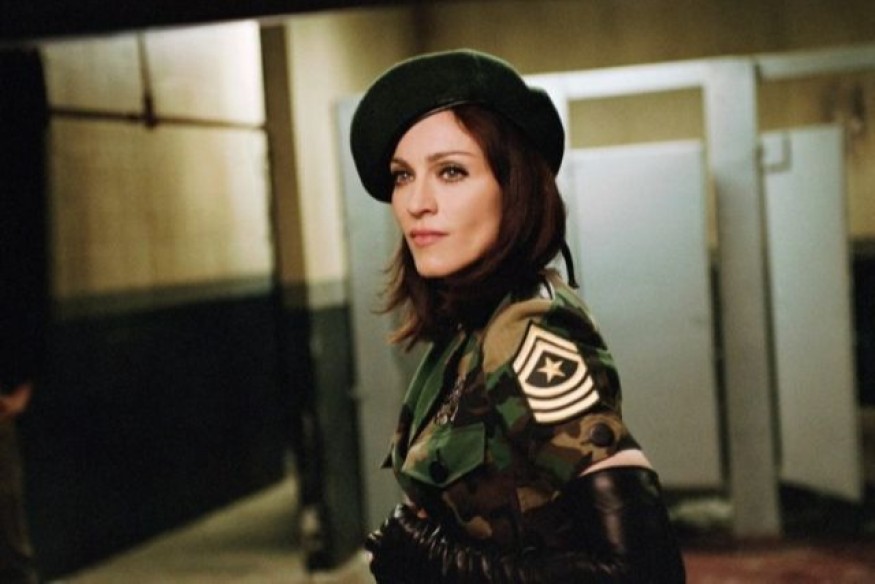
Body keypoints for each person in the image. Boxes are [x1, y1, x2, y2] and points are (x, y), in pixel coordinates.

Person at [349, 49, 686, 583]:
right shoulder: (468, 332)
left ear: (515, 188)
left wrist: (443, 565)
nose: (416, 202)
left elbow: (645, 571)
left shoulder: (528, 332)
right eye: (403, 176)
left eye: (451, 171)